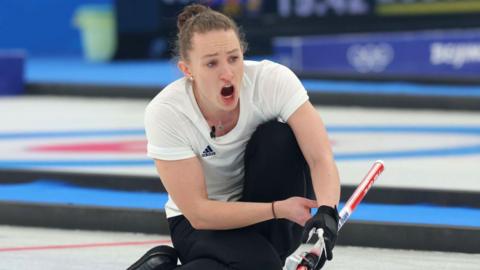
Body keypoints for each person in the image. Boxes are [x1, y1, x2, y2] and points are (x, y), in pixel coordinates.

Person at [127, 3, 340, 270]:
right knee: (259, 264)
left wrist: (327, 210)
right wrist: (276, 209)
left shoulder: (272, 81)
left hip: (271, 215)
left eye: (233, 58)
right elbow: (199, 213)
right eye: (212, 63)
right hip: (201, 226)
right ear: (187, 70)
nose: (227, 73)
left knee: (279, 136)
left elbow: (319, 156)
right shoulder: (167, 112)